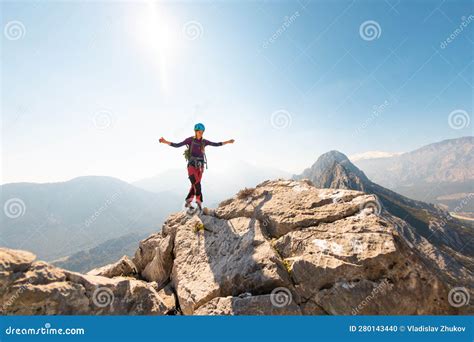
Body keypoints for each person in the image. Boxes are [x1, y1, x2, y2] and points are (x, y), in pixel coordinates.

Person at [159, 123, 234, 211]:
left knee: (194, 185)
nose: (201, 133)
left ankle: (188, 202)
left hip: (200, 168)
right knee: (197, 185)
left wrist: (228, 142)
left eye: (202, 131)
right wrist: (165, 141)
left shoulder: (204, 142)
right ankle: (199, 203)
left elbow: (216, 144)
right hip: (191, 167)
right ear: (195, 131)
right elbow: (177, 145)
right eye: (199, 131)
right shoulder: (190, 140)